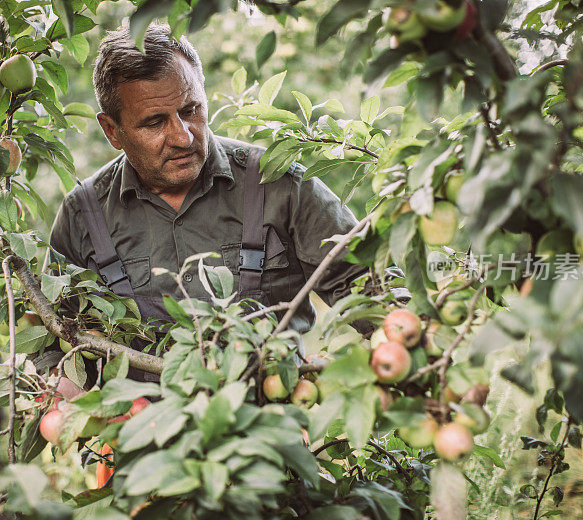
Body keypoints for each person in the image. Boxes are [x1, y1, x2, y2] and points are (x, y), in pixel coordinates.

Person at [49, 24, 370, 357]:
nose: (183, 137)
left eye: (191, 111)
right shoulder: (83, 216)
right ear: (112, 131)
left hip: (271, 407)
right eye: (155, 122)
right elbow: (51, 345)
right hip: (137, 410)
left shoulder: (280, 185)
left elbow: (371, 292)